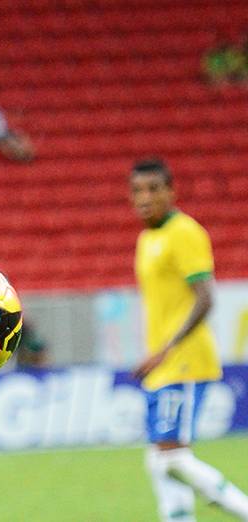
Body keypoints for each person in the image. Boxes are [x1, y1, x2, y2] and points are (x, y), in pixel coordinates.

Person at [129, 158, 248, 522]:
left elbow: (206, 297)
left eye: (153, 189)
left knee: (171, 459)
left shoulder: (184, 233)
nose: (144, 198)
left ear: (171, 192)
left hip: (183, 361)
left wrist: (168, 347)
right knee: (160, 460)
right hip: (163, 364)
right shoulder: (148, 238)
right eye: (137, 190)